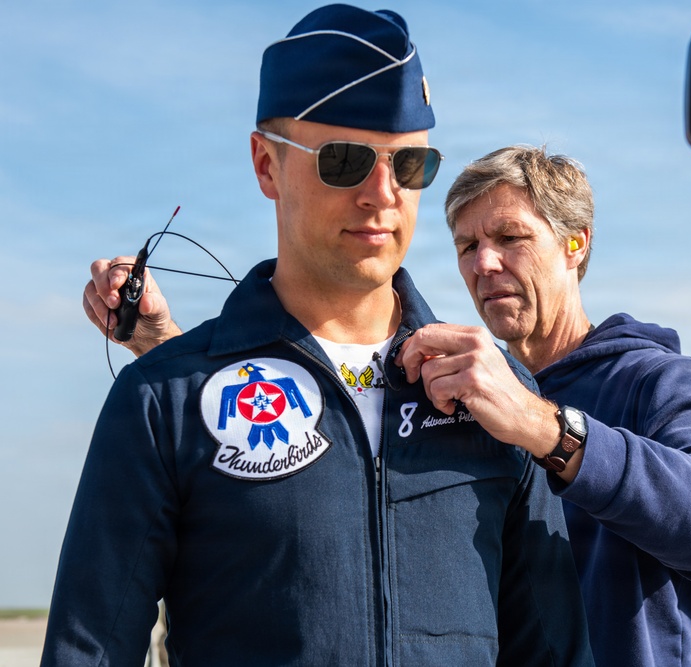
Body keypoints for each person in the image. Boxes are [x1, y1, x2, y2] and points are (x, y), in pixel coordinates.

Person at [48, 7, 593, 666]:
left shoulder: (494, 394)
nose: (382, 194)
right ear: (266, 165)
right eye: (344, 160)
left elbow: (554, 650)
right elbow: (89, 649)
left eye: (410, 163)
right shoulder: (164, 399)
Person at [395, 146, 691, 666]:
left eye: (510, 237)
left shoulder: (656, 379)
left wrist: (547, 430)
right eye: (467, 245)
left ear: (575, 244)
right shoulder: (467, 401)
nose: (484, 262)